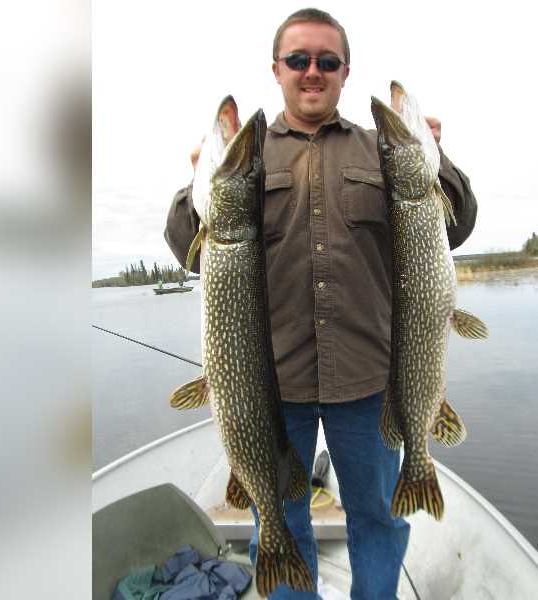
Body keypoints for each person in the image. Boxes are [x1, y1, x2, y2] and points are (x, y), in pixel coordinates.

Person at [164, 8, 477, 599]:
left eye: (327, 61)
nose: (313, 71)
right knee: (279, 520)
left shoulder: (380, 149)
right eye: (299, 59)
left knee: (379, 517)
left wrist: (440, 160)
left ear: (344, 72)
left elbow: (454, 228)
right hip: (269, 387)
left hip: (370, 379)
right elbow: (189, 250)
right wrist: (195, 187)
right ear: (277, 69)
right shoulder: (249, 158)